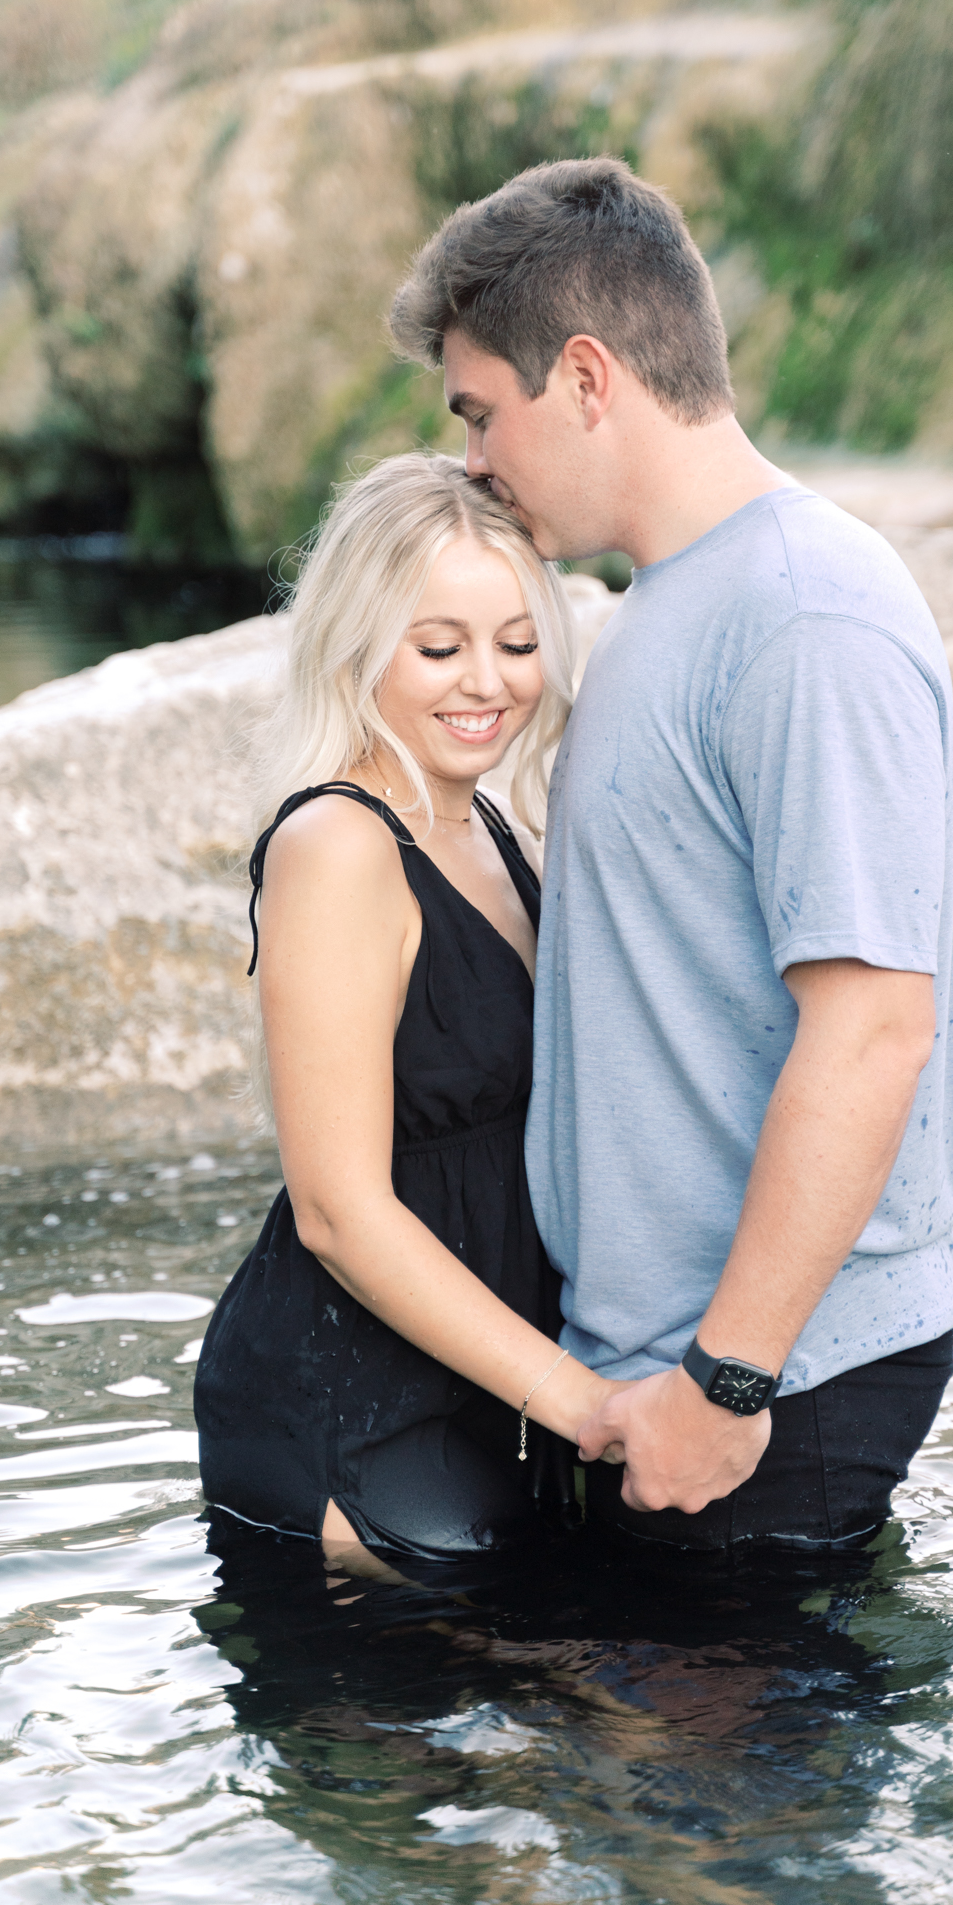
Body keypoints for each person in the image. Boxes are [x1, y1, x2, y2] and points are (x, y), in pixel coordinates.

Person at [386, 156, 953, 1554]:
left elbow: (874, 1027)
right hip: (664, 1372)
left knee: (707, 1778)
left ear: (585, 379)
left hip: (761, 1386)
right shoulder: (673, 598)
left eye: (482, 411)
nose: (471, 458)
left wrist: (723, 1379)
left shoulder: (802, 617)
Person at [194, 452, 621, 1565]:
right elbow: (338, 1212)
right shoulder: (336, 844)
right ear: (357, 644)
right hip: (359, 1411)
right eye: (439, 648)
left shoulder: (492, 828)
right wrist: (584, 1405)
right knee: (543, 1725)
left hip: (494, 1386)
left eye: (517, 644)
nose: (486, 682)